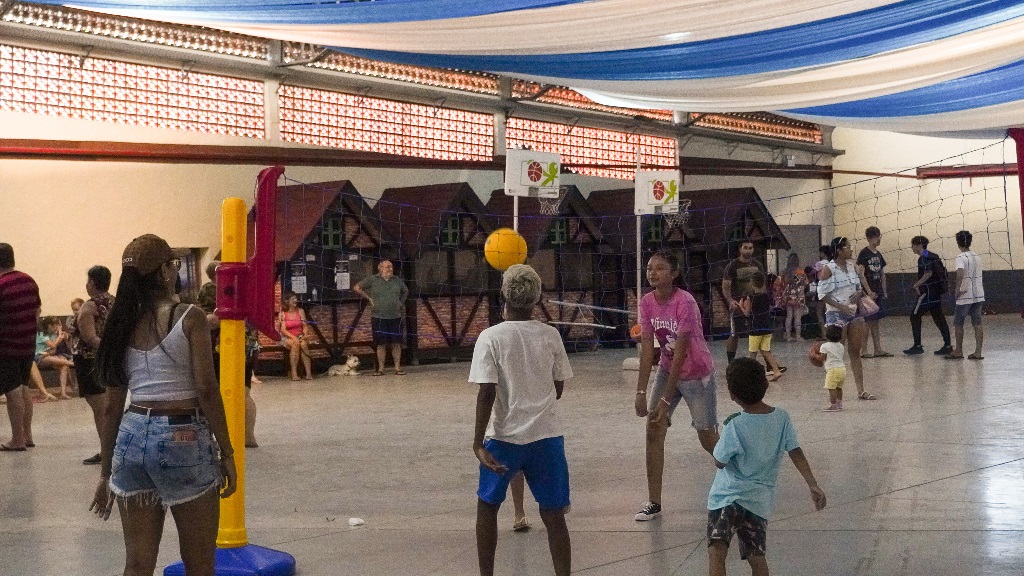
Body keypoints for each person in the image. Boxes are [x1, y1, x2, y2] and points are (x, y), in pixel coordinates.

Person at [91, 234, 237, 576]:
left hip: (131, 437)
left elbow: (112, 407)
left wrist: (105, 472)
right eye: (173, 264)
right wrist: (227, 453)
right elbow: (207, 389)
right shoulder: (189, 316)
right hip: (182, 436)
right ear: (164, 272)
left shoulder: (120, 323)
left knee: (137, 563)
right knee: (199, 564)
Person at [470, 264, 573, 576]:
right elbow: (558, 387)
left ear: (503, 295)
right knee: (554, 515)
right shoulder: (550, 335)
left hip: (504, 439)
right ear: (537, 298)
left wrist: (477, 444)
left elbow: (486, 392)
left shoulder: (490, 337)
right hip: (547, 438)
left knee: (488, 506)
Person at [707, 358, 826, 576]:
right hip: (758, 502)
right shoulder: (781, 418)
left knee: (717, 549)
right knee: (756, 556)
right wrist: (813, 484)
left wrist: (718, 440)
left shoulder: (734, 424)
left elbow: (719, 461)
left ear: (732, 395)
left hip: (727, 496)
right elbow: (795, 451)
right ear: (765, 384)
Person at [638, 251, 718, 521]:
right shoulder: (647, 302)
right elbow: (648, 348)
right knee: (653, 428)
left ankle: (740, 480)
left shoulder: (685, 302)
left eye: (660, 268)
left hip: (696, 373)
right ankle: (654, 502)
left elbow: (682, 353)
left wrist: (665, 399)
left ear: (674, 273)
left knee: (707, 436)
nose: (653, 273)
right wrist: (640, 392)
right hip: (667, 369)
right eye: (650, 268)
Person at [199, 261, 259, 447]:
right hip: (247, 345)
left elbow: (209, 319)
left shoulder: (209, 289)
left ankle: (216, 438)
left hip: (221, 347)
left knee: (215, 393)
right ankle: (248, 436)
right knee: (244, 391)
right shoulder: (242, 288)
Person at [817, 237, 876, 400]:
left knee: (855, 351)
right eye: (848, 247)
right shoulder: (828, 268)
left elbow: (858, 287)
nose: (851, 250)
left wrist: (860, 293)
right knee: (836, 353)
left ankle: (861, 390)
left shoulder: (852, 267)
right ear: (839, 250)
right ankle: (834, 392)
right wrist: (840, 306)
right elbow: (821, 294)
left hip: (854, 313)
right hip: (836, 314)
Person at [70, 265, 115, 465]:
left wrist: (105, 350)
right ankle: (110, 449)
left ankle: (107, 451)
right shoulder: (114, 302)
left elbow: (89, 337)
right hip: (109, 360)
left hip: (90, 360)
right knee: (107, 405)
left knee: (100, 408)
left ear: (92, 282)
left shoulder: (89, 306)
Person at [0, 243, 41, 452]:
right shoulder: (29, 280)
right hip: (28, 344)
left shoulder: (1, 284)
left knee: (13, 391)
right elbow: (37, 310)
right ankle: (27, 435)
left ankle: (17, 439)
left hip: (7, 346)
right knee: (24, 388)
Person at [354, 259, 410, 376]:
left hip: (395, 316)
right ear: (380, 268)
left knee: (396, 343)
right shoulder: (373, 279)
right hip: (378, 317)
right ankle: (381, 369)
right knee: (381, 344)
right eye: (387, 267)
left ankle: (397, 368)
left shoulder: (397, 280)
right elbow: (357, 287)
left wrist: (401, 302)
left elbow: (405, 291)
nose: (390, 269)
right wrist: (368, 298)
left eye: (391, 267)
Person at [903, 236, 952, 356]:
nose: (912, 247)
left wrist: (916, 285)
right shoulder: (933, 256)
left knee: (914, 316)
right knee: (939, 318)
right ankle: (948, 345)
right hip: (936, 293)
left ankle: (917, 346)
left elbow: (928, 273)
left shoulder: (923, 258)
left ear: (919, 245)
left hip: (927, 293)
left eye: (913, 245)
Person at [722, 240, 765, 363]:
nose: (748, 250)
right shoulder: (732, 265)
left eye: (751, 248)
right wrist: (730, 300)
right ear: (740, 249)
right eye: (745, 248)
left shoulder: (758, 265)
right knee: (734, 334)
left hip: (755, 303)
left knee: (759, 333)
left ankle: (758, 361)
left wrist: (763, 300)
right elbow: (725, 285)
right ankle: (731, 362)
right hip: (738, 305)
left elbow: (762, 284)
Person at [947, 230, 985, 360]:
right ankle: (978, 352)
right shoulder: (977, 257)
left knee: (958, 323)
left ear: (958, 242)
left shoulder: (960, 257)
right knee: (977, 323)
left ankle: (958, 351)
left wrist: (957, 289)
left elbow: (960, 273)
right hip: (979, 294)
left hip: (965, 295)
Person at [738, 272, 783, 382]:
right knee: (766, 351)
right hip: (766, 327)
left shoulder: (751, 297)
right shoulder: (766, 296)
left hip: (755, 328)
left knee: (752, 354)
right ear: (763, 283)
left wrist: (740, 306)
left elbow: (747, 313)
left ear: (752, 284)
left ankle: (750, 376)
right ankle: (776, 370)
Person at [856, 227, 893, 358]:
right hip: (868, 293)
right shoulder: (864, 253)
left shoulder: (878, 254)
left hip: (878, 291)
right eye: (877, 237)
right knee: (867, 321)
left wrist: (884, 290)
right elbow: (861, 274)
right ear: (870, 238)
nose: (879, 239)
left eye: (879, 237)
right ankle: (864, 350)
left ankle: (878, 349)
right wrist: (868, 291)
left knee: (876, 321)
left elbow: (882, 273)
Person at [35, 316, 74, 400]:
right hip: (38, 357)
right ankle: (73, 363)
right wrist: (59, 336)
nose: (57, 328)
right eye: (56, 325)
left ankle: (63, 393)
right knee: (49, 358)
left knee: (64, 365)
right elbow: (52, 345)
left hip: (48, 355)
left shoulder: (53, 335)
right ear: (49, 326)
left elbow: (54, 350)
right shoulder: (41, 334)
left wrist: (49, 353)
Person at [279, 291, 313, 381]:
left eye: (296, 298)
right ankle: (294, 374)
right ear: (287, 301)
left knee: (303, 344)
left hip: (300, 335)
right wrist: (293, 337)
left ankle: (308, 373)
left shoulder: (300, 311)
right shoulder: (283, 313)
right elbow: (283, 330)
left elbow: (305, 325)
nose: (295, 300)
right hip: (287, 337)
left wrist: (304, 335)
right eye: (293, 299)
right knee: (295, 344)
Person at [817, 325, 846, 412]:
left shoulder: (824, 346)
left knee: (831, 388)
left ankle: (833, 405)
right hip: (842, 369)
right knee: (839, 387)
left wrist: (814, 355)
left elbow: (822, 358)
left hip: (832, 370)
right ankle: (839, 404)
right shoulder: (841, 345)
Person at [810, 245, 833, 340]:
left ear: (823, 253)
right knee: (828, 312)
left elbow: (812, 273)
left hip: (821, 289)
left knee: (819, 313)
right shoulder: (831, 263)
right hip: (830, 289)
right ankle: (831, 333)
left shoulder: (819, 264)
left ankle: (824, 333)